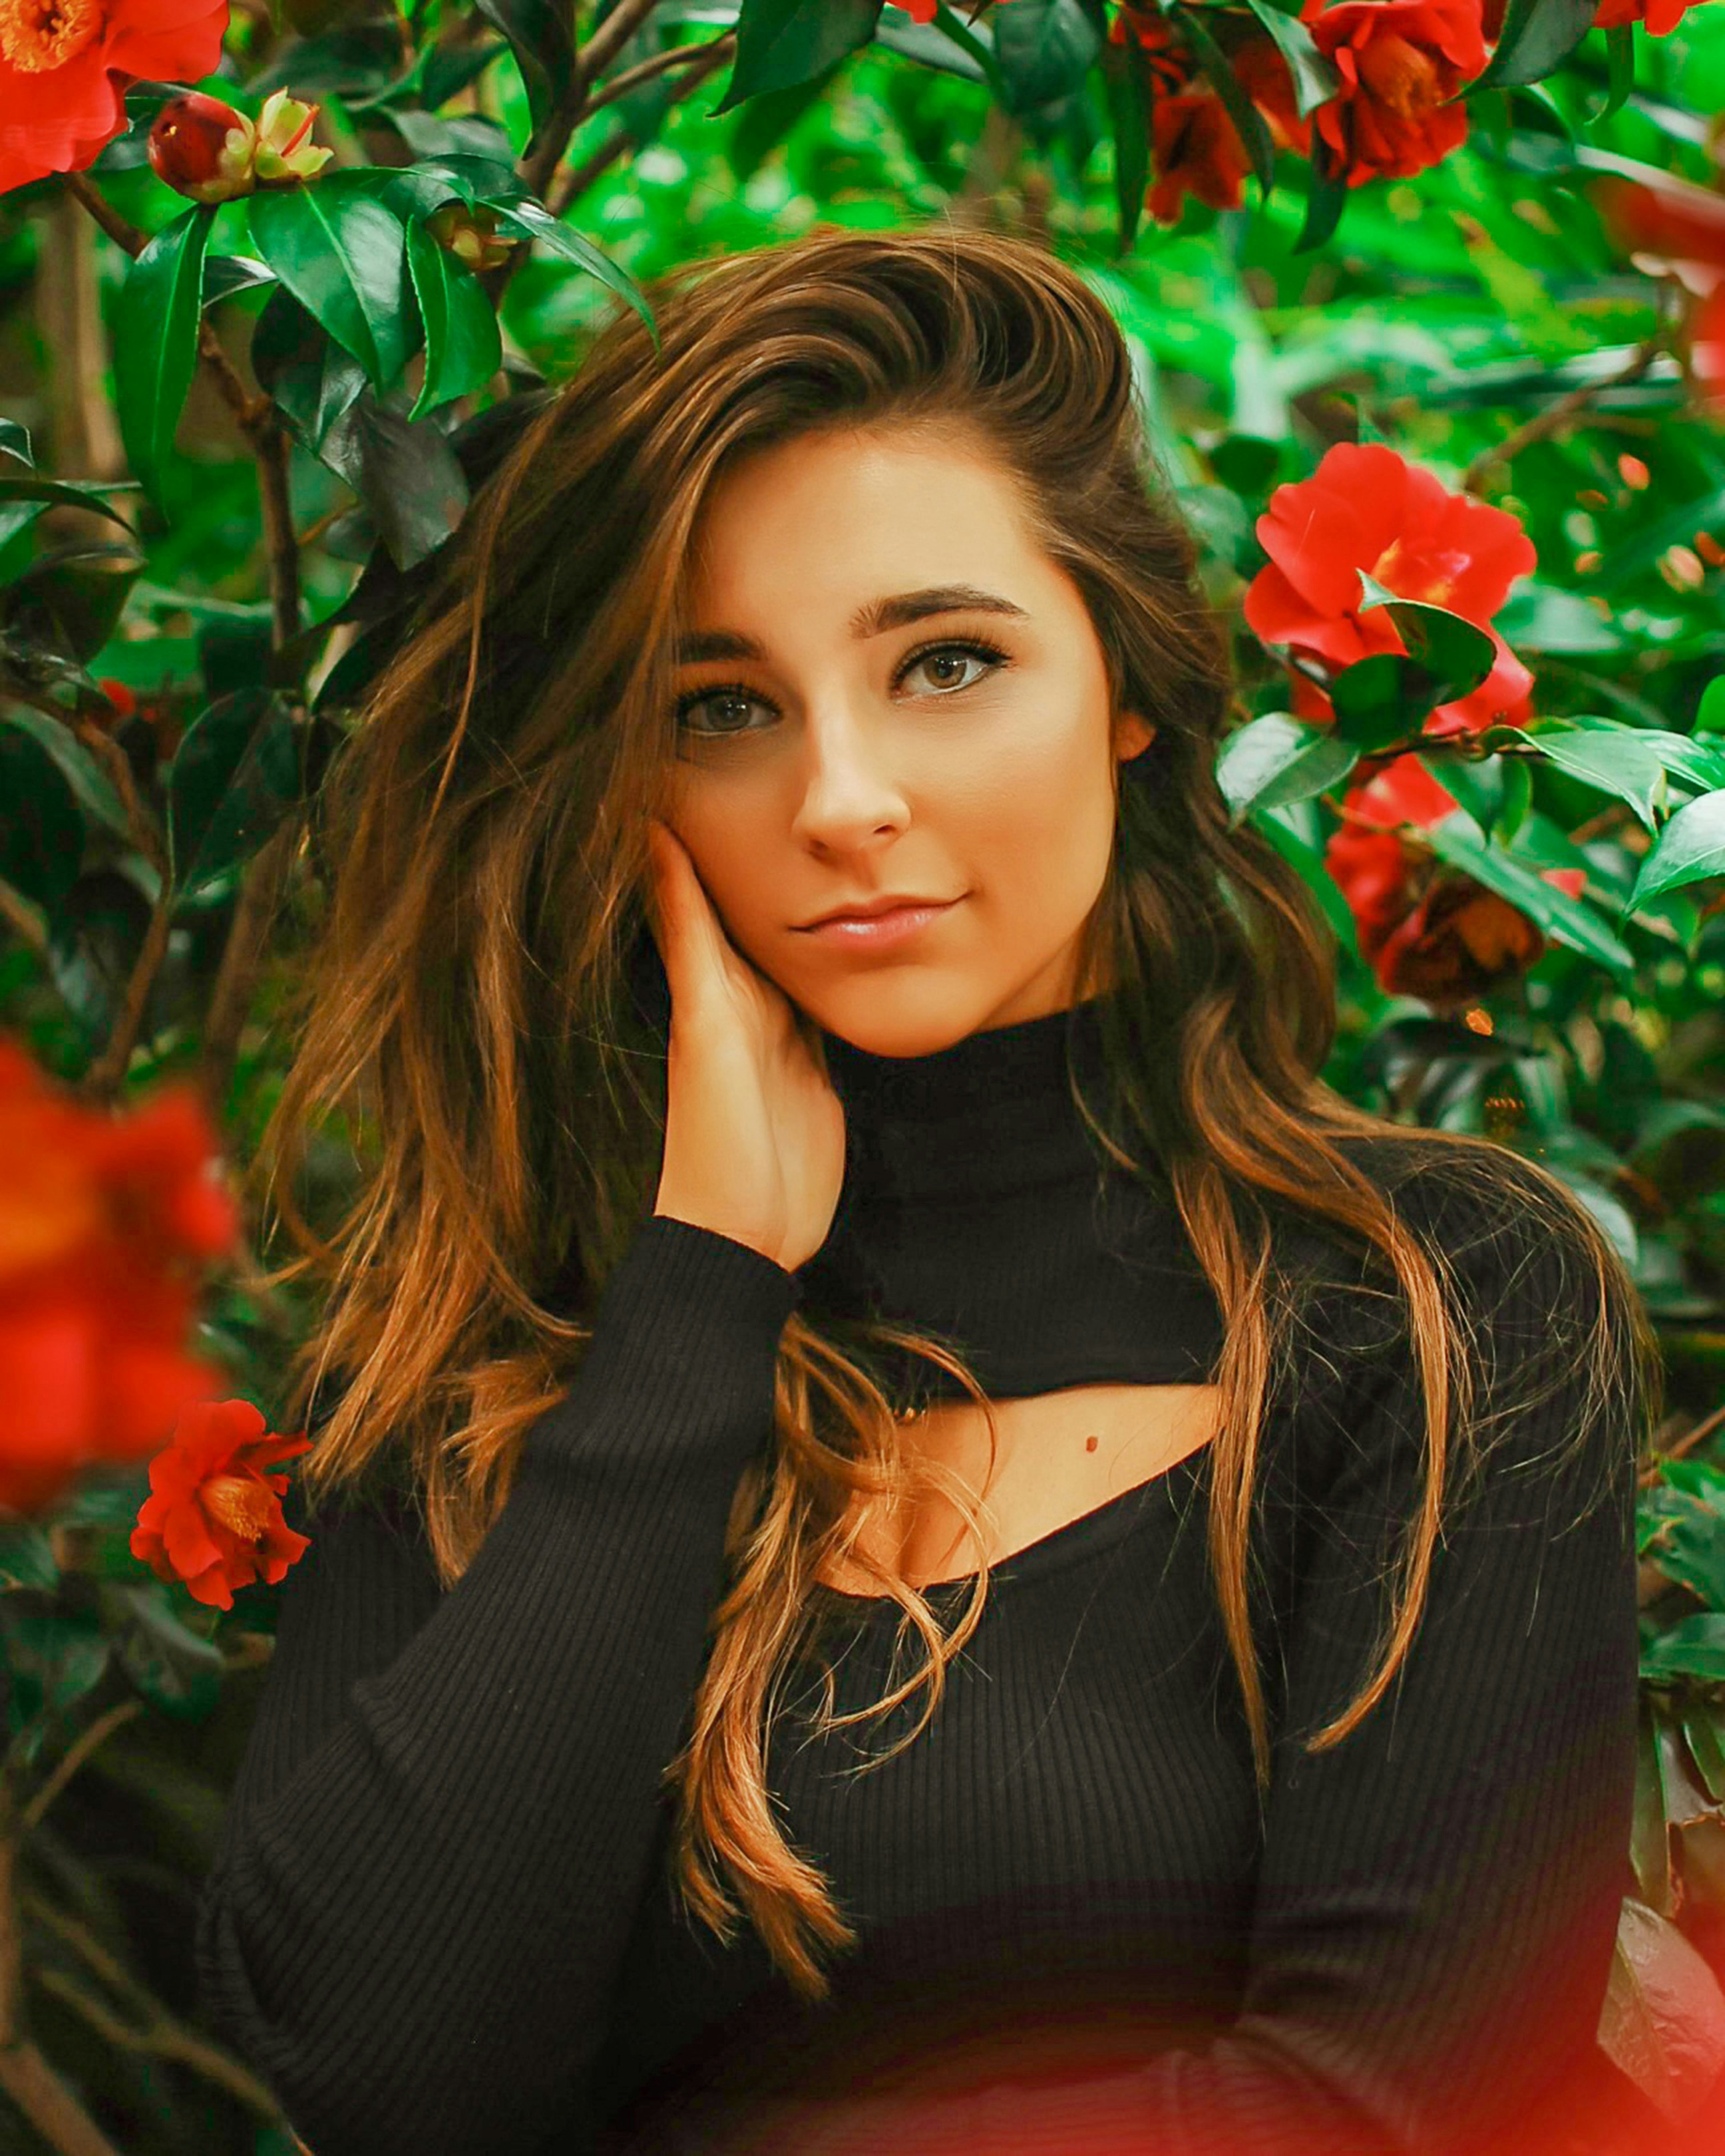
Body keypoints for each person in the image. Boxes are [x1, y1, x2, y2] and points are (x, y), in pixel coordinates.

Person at [194, 222, 1661, 2156]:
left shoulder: (1436, 1301)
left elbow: (1398, 2108)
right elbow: (374, 2076)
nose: (841, 798)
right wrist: (704, 1280)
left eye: (946, 662)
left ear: (1129, 687)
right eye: (724, 706)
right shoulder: (498, 1358)